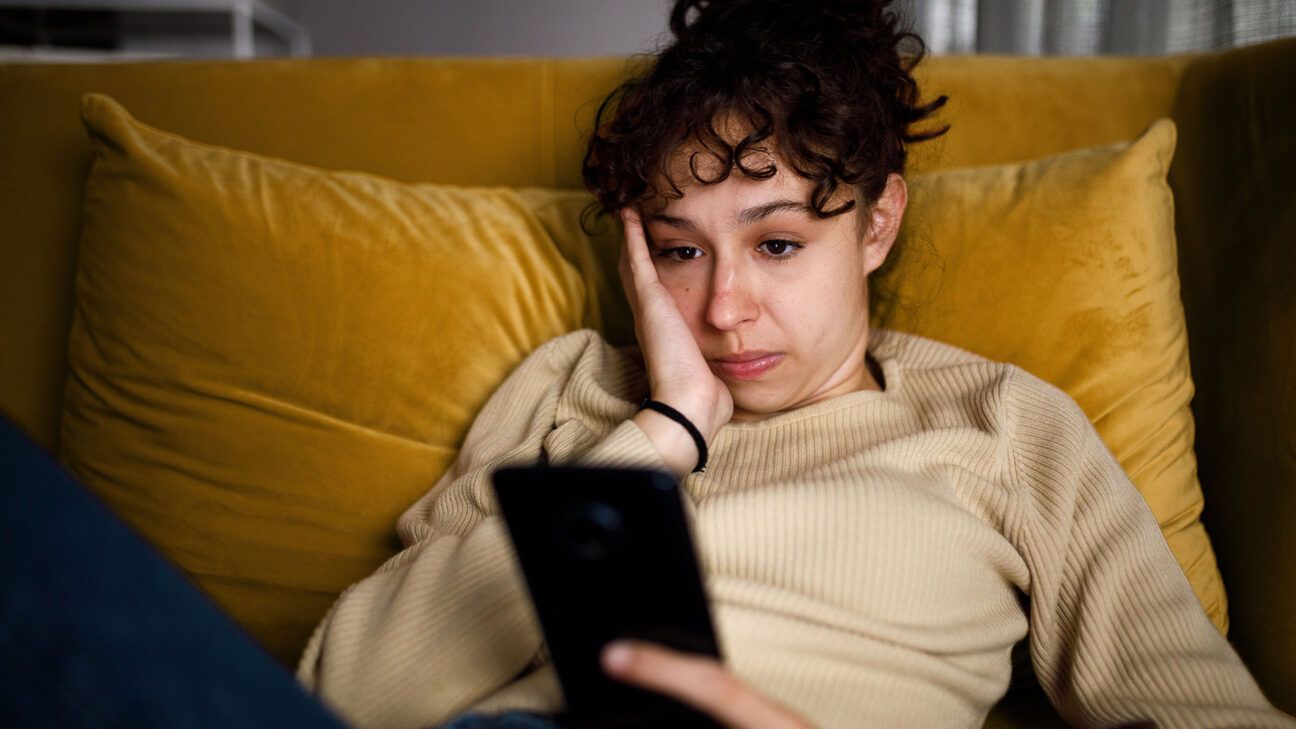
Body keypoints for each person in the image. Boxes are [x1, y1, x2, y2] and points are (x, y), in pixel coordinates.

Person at [296, 1, 1296, 728]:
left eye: (777, 244)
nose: (726, 311)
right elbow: (344, 691)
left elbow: (1198, 711)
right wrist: (667, 428)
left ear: (877, 224)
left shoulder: (1002, 425)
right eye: (683, 251)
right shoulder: (571, 393)